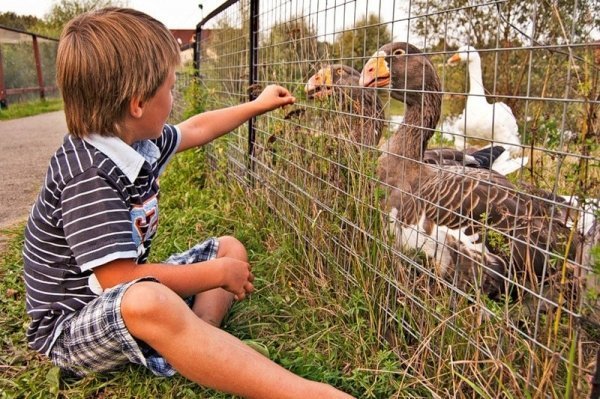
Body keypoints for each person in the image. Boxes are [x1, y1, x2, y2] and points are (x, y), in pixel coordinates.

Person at [22, 7, 354, 399]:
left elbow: (196, 127)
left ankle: (200, 340)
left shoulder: (133, 143)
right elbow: (118, 279)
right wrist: (213, 275)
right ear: (137, 104)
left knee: (228, 247)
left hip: (122, 295)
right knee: (150, 297)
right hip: (73, 328)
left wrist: (257, 105)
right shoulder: (89, 175)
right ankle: (305, 393)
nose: (174, 94)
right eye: (170, 85)